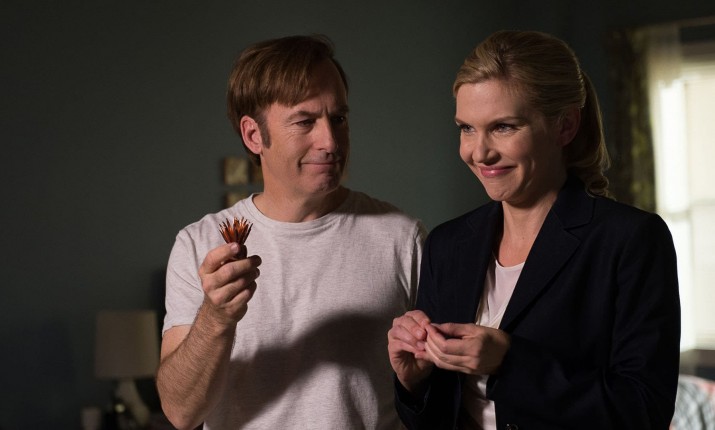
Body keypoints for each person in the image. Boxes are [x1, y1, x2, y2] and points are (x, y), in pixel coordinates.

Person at [388, 30, 681, 430]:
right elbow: (437, 418)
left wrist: (509, 362)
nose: (479, 152)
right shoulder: (447, 244)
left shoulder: (631, 240)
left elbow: (644, 412)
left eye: (503, 127)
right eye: (467, 128)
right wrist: (413, 382)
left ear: (565, 126)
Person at [156, 35, 426, 430]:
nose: (330, 142)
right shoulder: (198, 244)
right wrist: (215, 318)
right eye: (305, 122)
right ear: (254, 135)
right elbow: (181, 413)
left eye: (338, 118)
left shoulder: (402, 238)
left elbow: (443, 394)